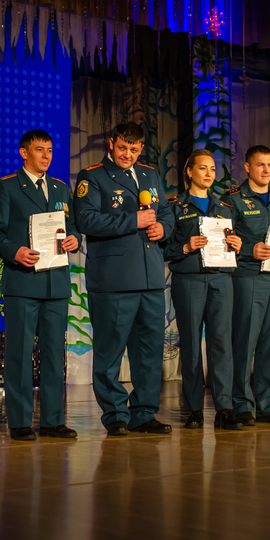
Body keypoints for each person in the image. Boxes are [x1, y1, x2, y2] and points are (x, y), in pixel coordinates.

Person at [73, 123, 176, 436]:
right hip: (114, 278)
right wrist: (134, 220)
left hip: (150, 277)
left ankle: (143, 412)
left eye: (133, 149)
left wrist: (163, 228)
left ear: (141, 148)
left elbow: (166, 212)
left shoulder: (150, 175)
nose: (127, 154)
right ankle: (115, 413)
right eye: (122, 148)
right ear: (111, 143)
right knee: (110, 352)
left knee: (149, 352)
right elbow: (86, 220)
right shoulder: (92, 176)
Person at [0, 130, 81, 441]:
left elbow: (73, 226)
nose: (46, 156)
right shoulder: (7, 186)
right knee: (20, 354)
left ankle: (53, 420)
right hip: (23, 281)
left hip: (56, 283)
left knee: (54, 355)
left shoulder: (61, 188)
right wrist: (15, 252)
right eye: (39, 150)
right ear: (24, 153)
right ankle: (20, 421)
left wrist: (74, 238)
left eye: (49, 150)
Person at [220, 145, 270, 426]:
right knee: (244, 343)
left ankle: (269, 403)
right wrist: (248, 250)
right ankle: (241, 403)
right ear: (247, 167)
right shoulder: (232, 200)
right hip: (248, 278)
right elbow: (222, 240)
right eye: (260, 164)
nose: (266, 170)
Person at [164, 150, 243, 430]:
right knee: (191, 344)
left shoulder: (224, 206)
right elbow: (164, 248)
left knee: (221, 344)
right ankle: (194, 408)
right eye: (203, 168)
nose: (209, 174)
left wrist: (237, 245)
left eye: (212, 169)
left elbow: (234, 240)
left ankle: (224, 408)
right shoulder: (175, 206)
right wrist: (185, 247)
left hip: (221, 279)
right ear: (189, 171)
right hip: (190, 280)